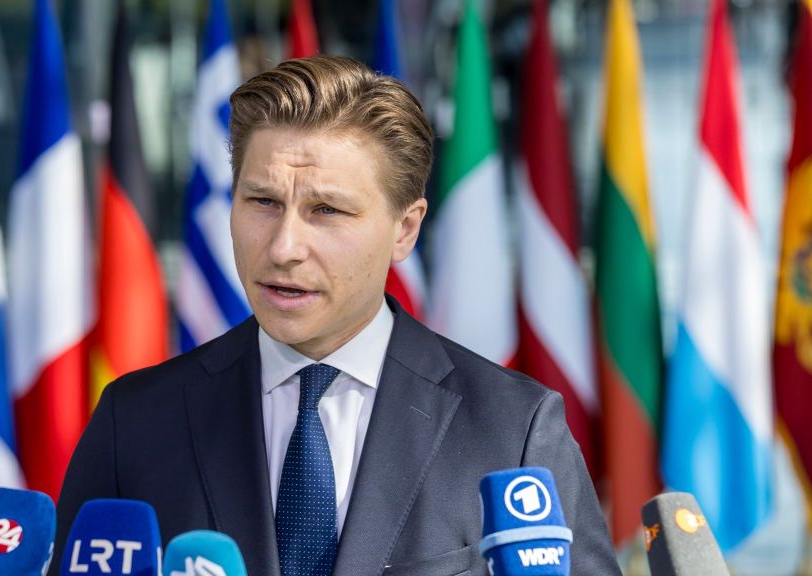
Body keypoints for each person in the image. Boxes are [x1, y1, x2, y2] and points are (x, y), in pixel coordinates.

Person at [54, 55, 621, 576]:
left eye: (326, 210)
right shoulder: (133, 423)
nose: (283, 247)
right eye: (262, 202)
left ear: (405, 228)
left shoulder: (512, 428)